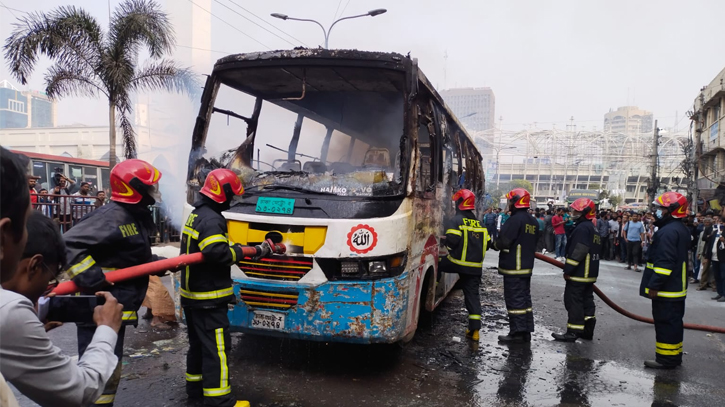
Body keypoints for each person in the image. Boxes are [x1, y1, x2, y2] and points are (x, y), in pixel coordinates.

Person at [63, 159, 163, 406]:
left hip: (113, 306)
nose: (154, 192)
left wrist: (158, 263)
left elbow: (126, 254)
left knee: (108, 368)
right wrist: (91, 278)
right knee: (98, 371)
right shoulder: (113, 216)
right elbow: (67, 244)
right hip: (98, 307)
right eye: (149, 186)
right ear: (134, 188)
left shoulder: (130, 215)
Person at [1, 211, 125, 407]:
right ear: (34, 265)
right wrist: (107, 329)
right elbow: (79, 390)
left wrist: (27, 337)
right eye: (51, 280)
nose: (48, 289)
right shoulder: (11, 310)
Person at [182, 169, 272, 407]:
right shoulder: (212, 219)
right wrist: (242, 251)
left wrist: (239, 247)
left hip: (193, 297)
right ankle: (220, 401)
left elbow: (211, 246)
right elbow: (216, 252)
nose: (233, 201)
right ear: (224, 193)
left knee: (198, 347)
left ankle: (196, 393)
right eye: (232, 195)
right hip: (208, 299)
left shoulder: (197, 214)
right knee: (217, 350)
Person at [639, 191, 690, 369]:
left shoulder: (667, 232)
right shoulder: (679, 229)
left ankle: (666, 360)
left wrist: (654, 284)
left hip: (666, 289)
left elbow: (664, 263)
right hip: (676, 287)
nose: (658, 212)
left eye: (662, 208)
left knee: (665, 324)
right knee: (674, 323)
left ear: (672, 210)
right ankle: (674, 356)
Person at [440, 189, 490, 341]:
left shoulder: (456, 221)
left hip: (456, 263)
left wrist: (443, 240)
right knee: (473, 296)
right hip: (474, 268)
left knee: (438, 264)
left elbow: (453, 241)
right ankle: (474, 331)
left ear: (459, 203)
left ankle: (433, 290)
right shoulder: (480, 224)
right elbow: (487, 245)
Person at [493, 188, 538, 343]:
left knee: (515, 301)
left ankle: (517, 333)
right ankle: (526, 331)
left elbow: (504, 241)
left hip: (514, 267)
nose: (509, 203)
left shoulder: (514, 220)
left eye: (510, 200)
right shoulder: (532, 221)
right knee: (525, 300)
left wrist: (494, 244)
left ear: (516, 201)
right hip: (526, 268)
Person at [552, 198, 601, 342]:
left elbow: (579, 251)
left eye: (576, 210)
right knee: (587, 302)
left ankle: (573, 332)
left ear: (584, 212)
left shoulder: (582, 228)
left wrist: (568, 269)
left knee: (574, 302)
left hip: (580, 273)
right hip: (589, 274)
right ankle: (587, 331)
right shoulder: (592, 228)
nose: (572, 212)